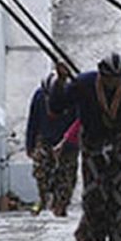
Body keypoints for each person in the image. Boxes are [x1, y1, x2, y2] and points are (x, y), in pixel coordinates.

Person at [50, 53, 121, 241]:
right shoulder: (84, 83)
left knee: (120, 193)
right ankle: (96, 233)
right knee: (93, 193)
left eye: (117, 78)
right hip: (93, 142)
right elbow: (57, 106)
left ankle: (117, 238)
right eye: (109, 78)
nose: (113, 83)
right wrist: (60, 81)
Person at [25, 73, 78, 217]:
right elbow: (33, 121)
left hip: (68, 140)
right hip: (46, 139)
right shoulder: (39, 96)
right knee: (41, 170)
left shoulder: (72, 98)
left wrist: (70, 141)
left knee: (66, 174)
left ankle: (61, 204)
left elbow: (78, 121)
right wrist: (30, 144)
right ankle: (44, 197)